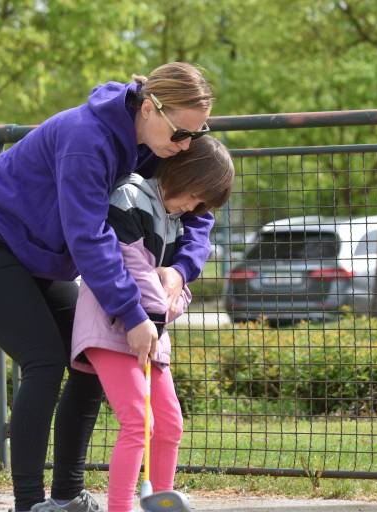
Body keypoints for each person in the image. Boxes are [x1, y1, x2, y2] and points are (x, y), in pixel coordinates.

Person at [0, 62, 217, 512]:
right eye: (182, 134)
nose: (187, 145)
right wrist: (131, 313)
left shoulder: (162, 140)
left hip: (39, 257)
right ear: (149, 108)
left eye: (197, 134)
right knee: (45, 360)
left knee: (91, 352)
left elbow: (200, 204)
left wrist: (182, 269)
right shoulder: (86, 140)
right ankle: (30, 504)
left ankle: (67, 495)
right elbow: (88, 236)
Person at [71, 136, 234, 512]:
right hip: (110, 326)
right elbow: (132, 267)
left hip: (152, 332)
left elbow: (177, 287)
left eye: (200, 204)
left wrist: (173, 296)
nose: (192, 207)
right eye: (192, 196)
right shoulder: (129, 198)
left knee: (170, 422)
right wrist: (158, 306)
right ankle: (120, 508)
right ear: (180, 173)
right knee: (137, 421)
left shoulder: (176, 222)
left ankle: (161, 502)